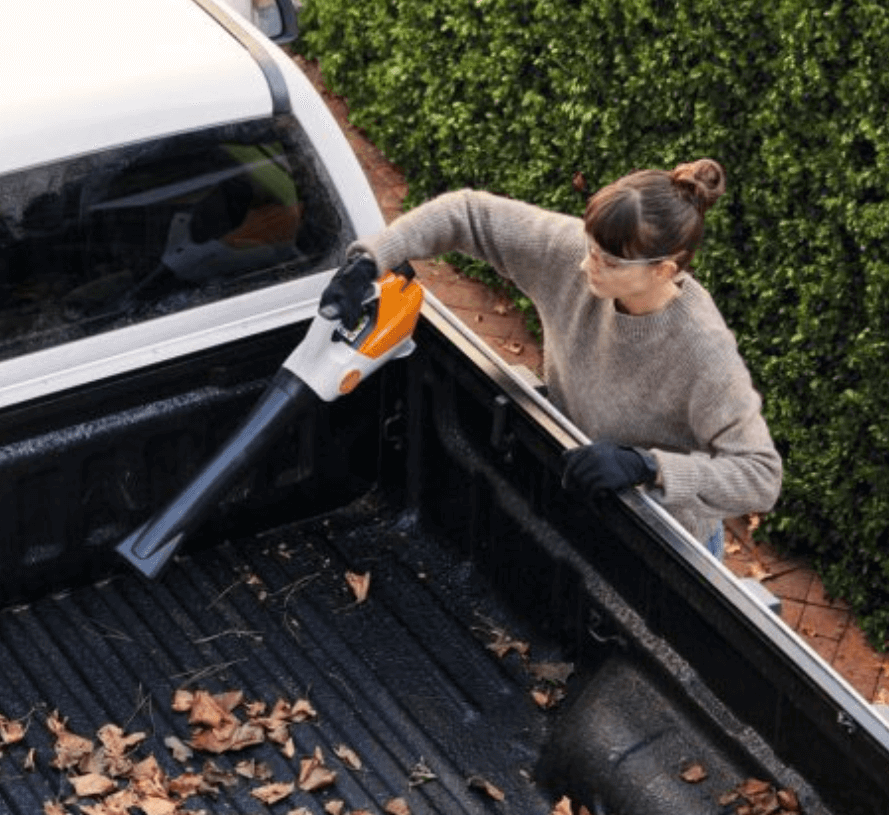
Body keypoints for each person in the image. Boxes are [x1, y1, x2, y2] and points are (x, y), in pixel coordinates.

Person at [334, 159, 780, 557]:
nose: (586, 266)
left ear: (664, 270)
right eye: (589, 246)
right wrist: (373, 260)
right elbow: (470, 213)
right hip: (578, 493)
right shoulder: (576, 257)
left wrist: (647, 466)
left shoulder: (701, 349)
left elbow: (760, 476)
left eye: (608, 261)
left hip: (663, 546)